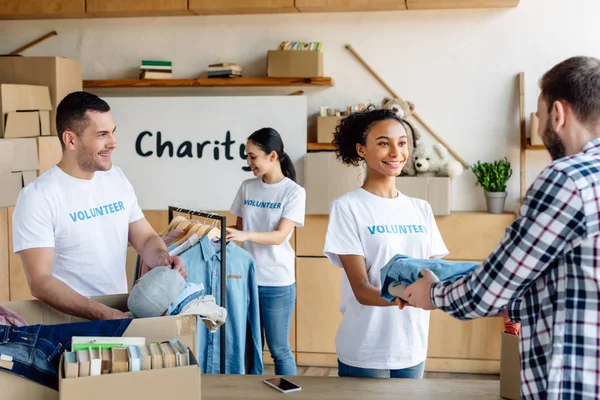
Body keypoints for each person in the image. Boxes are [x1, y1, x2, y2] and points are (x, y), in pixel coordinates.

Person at [405, 56, 600, 400]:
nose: (540, 127)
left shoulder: (567, 179)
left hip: (574, 381)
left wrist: (432, 294)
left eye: (539, 116)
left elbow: (490, 291)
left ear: (558, 114)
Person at [12, 91, 186, 321]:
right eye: (102, 134)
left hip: (117, 313)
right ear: (70, 139)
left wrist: (163, 259)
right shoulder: (37, 197)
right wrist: (101, 313)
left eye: (113, 132)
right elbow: (40, 281)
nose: (113, 143)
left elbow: (144, 238)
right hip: (70, 324)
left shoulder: (117, 178)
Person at [322, 106, 449, 379]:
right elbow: (361, 289)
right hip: (366, 349)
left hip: (412, 346)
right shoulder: (348, 208)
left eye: (402, 143)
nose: (396, 152)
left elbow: (436, 272)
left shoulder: (421, 209)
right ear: (361, 150)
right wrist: (411, 296)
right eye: (383, 143)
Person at [226, 127, 306, 376]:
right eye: (247, 156)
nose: (249, 162)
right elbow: (238, 230)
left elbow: (280, 235)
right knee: (250, 347)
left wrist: (246, 234)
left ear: (272, 156)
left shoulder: (294, 192)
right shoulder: (247, 187)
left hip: (277, 282)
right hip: (246, 280)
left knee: (279, 349)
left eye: (253, 157)